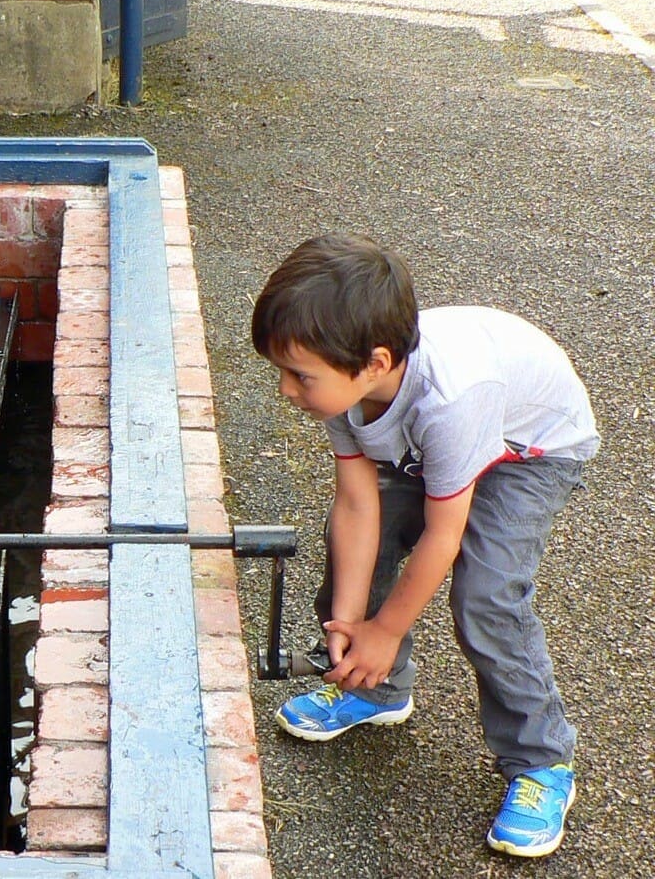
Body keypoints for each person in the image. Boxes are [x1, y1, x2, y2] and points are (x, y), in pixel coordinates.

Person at [250, 232, 598, 858]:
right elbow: (358, 505)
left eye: (297, 376)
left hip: (530, 450)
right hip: (436, 449)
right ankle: (377, 690)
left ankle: (542, 760)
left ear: (375, 363)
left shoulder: (449, 400)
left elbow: (446, 535)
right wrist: (352, 621)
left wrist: (384, 630)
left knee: (487, 594)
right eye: (282, 371)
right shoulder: (342, 376)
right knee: (353, 546)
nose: (285, 390)